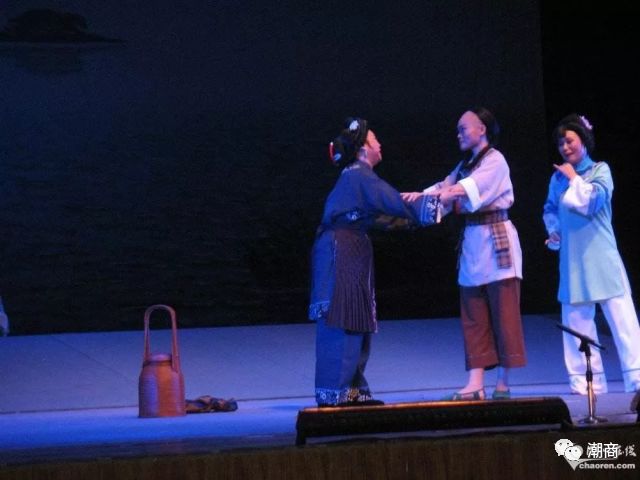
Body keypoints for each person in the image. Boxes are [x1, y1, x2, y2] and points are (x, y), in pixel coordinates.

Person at [309, 117, 437, 407]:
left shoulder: (356, 179)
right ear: (363, 149)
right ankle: (336, 396)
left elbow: (384, 216)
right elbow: (395, 203)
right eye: (375, 139)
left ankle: (352, 393)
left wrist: (415, 216)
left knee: (355, 319)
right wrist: (435, 204)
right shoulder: (359, 176)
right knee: (342, 318)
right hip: (341, 252)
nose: (380, 144)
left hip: (349, 250)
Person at [403, 107, 526, 400]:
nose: (458, 134)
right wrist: (417, 198)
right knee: (473, 313)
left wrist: (442, 194)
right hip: (473, 241)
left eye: (463, 128)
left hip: (497, 241)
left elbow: (465, 189)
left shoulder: (495, 161)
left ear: (482, 129)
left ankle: (503, 382)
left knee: (504, 313)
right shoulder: (464, 165)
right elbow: (444, 187)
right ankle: (475, 383)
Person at [543, 113, 640, 395]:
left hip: (602, 257)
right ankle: (588, 384)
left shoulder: (600, 171)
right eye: (560, 143)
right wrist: (554, 230)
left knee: (623, 323)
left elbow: (592, 202)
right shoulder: (557, 179)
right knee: (577, 323)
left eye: (570, 141)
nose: (565, 147)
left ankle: (637, 378)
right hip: (573, 259)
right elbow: (550, 209)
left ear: (584, 140)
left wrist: (574, 178)